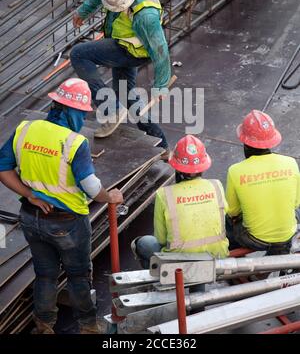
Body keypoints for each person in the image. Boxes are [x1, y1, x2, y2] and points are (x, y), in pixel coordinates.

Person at [0, 78, 123, 334]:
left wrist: (29, 193)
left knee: (45, 274)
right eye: (82, 112)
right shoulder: (74, 143)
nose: (83, 117)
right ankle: (89, 327)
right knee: (78, 275)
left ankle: (44, 326)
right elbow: (90, 187)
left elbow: (3, 168)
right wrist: (109, 197)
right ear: (71, 110)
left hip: (31, 217)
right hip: (68, 223)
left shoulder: (25, 129)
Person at [70, 0, 171, 158]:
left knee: (78, 54)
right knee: (126, 94)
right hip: (121, 40)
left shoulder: (146, 16)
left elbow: (161, 51)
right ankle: (162, 146)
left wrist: (161, 84)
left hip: (133, 52)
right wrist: (84, 11)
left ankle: (110, 110)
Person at [131, 135, 229, 269]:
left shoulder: (165, 194)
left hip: (179, 263)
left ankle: (161, 280)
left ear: (177, 167)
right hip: (217, 257)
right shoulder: (216, 186)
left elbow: (161, 239)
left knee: (142, 243)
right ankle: (197, 286)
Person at [226, 109, 300, 255]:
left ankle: (233, 259)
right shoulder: (291, 163)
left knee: (227, 222)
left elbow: (233, 211)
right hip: (288, 234)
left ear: (244, 141)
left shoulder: (235, 171)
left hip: (256, 239)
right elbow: (296, 202)